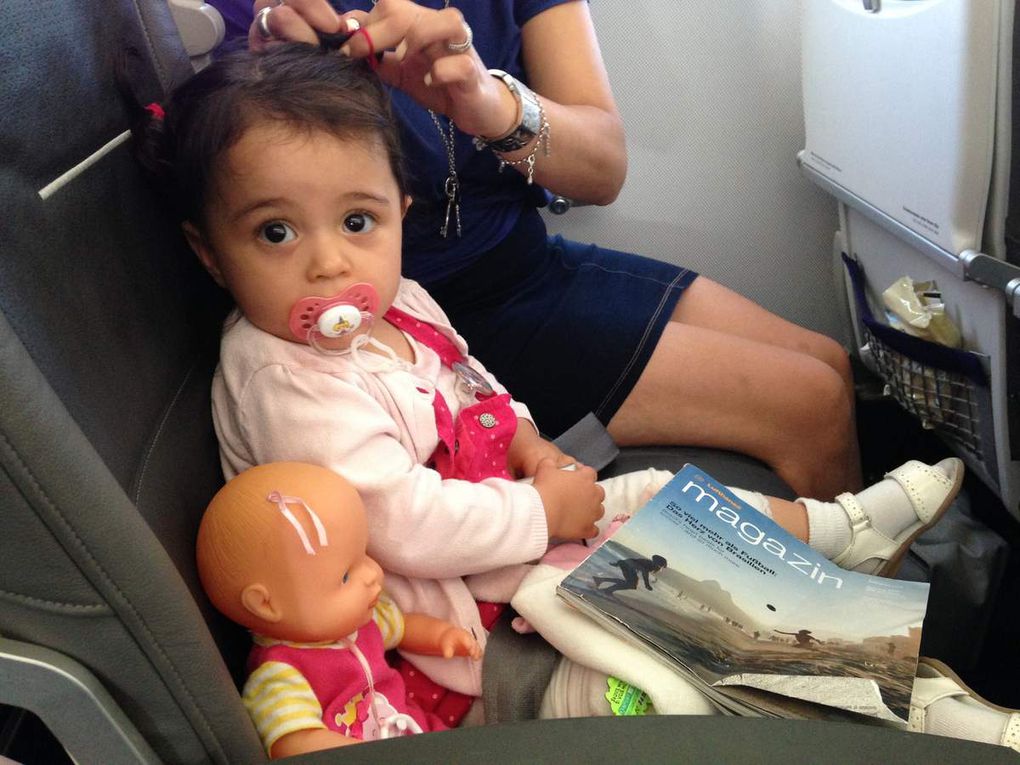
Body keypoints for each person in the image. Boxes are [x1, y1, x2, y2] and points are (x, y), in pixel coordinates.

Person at [134, 44, 1017, 752]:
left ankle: (844, 547)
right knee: (695, 613)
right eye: (276, 232)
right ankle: (915, 702)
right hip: (457, 618)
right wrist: (539, 510)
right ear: (210, 253)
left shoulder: (398, 303)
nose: (329, 262)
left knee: (675, 509)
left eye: (357, 222)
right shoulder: (288, 379)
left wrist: (526, 443)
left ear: (400, 211)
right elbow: (399, 521)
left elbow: (470, 379)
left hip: (502, 531)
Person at [208, 0, 861, 501]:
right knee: (812, 403)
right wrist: (263, 61)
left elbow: (602, 170)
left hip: (528, 264)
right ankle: (841, 661)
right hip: (425, 315)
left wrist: (487, 102)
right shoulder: (259, 16)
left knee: (828, 360)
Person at [196, 461, 482, 757]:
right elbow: (294, 744)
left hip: (412, 728)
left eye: (364, 554)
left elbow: (405, 627)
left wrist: (443, 636)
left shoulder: (362, 622)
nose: (373, 574)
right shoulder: (281, 673)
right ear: (266, 605)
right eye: (345, 576)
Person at [593, 554, 667, 595]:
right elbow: (644, 572)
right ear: (658, 564)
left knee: (631, 584)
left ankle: (603, 583)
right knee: (632, 584)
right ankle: (607, 589)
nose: (661, 569)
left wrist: (618, 564)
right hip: (627, 565)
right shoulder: (651, 565)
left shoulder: (649, 563)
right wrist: (647, 585)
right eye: (661, 566)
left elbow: (638, 566)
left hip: (626, 564)